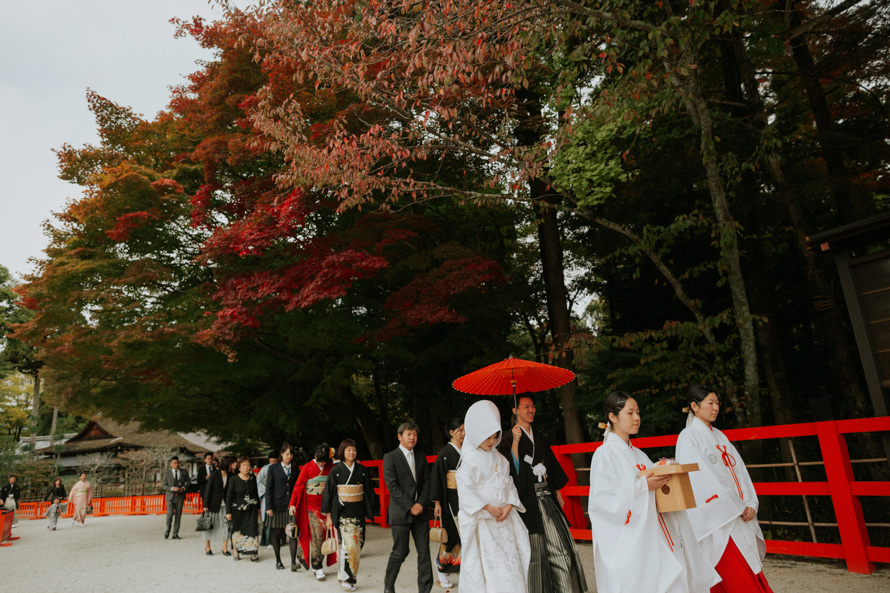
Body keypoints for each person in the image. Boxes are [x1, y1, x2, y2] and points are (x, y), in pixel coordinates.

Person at [588, 391, 720, 593]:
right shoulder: (604, 454)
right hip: (634, 539)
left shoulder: (639, 454)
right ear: (612, 417)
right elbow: (604, 503)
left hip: (656, 533)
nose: (637, 418)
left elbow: (653, 484)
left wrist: (662, 470)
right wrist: (642, 487)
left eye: (638, 412)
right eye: (630, 413)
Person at [676, 386, 774, 593]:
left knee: (746, 565)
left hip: (738, 512)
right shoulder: (688, 437)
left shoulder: (720, 436)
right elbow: (700, 479)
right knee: (734, 571)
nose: (715, 408)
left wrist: (750, 503)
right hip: (719, 519)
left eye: (717, 403)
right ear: (694, 406)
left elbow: (740, 472)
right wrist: (736, 506)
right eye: (710, 403)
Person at [499, 396, 587, 593]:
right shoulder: (508, 438)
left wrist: (557, 491)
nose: (531, 410)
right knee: (535, 553)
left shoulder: (537, 435)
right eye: (526, 406)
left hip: (547, 498)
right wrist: (514, 442)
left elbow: (551, 463)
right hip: (527, 503)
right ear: (515, 411)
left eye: (533, 406)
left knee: (561, 547)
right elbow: (509, 469)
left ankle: (566, 588)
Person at [457, 400, 530, 593]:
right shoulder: (469, 461)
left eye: (494, 436)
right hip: (483, 523)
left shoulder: (500, 459)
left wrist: (508, 505)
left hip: (503, 522)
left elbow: (508, 485)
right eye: (487, 437)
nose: (491, 441)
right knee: (487, 570)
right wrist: (487, 508)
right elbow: (466, 491)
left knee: (510, 567)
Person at [382, 421, 434, 593]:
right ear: (400, 436)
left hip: (421, 512)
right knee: (400, 552)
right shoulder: (390, 457)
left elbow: (427, 482)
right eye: (408, 434)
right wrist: (410, 505)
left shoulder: (421, 456)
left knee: (424, 553)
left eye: (415, 434)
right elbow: (392, 486)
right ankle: (389, 586)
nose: (412, 437)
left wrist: (421, 503)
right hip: (401, 513)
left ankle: (425, 590)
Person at [322, 439, 376, 592]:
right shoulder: (336, 470)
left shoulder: (362, 469)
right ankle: (345, 577)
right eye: (348, 450)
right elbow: (329, 493)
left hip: (358, 512)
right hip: (343, 513)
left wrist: (370, 509)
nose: (351, 453)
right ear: (342, 452)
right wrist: (328, 516)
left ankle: (349, 576)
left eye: (354, 450)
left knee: (357, 545)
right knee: (349, 546)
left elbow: (368, 492)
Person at [290, 443, 335, 580]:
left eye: (324, 461)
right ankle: (317, 566)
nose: (321, 464)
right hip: (311, 506)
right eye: (319, 460)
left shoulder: (330, 468)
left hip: (325, 506)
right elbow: (298, 487)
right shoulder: (307, 468)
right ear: (315, 456)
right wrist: (292, 503)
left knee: (324, 535)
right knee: (317, 536)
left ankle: (308, 558)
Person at [431, 418, 465, 588]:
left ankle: (464, 571)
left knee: (465, 537)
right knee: (450, 537)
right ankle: (441, 570)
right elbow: (437, 479)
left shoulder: (467, 451)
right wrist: (437, 503)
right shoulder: (445, 453)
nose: (463, 434)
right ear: (451, 432)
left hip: (466, 498)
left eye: (465, 430)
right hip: (450, 500)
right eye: (460, 430)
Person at [265, 443, 300, 570]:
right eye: (287, 454)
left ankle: (293, 563)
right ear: (281, 454)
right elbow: (269, 488)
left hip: (291, 506)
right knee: (277, 533)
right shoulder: (273, 468)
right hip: (276, 505)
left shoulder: (295, 469)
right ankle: (278, 560)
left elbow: (298, 487)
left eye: (291, 454)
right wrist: (268, 507)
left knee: (293, 533)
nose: (289, 457)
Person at [226, 456, 261, 561]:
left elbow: (256, 494)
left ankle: (253, 552)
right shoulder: (233, 479)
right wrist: (228, 512)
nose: (246, 468)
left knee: (252, 530)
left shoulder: (253, 478)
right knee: (237, 531)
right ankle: (236, 551)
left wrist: (258, 507)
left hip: (252, 509)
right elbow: (229, 497)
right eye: (244, 465)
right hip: (238, 510)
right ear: (239, 467)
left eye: (248, 465)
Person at [202, 456, 231, 556]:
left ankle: (224, 548)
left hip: (225, 504)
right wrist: (205, 504)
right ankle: (208, 547)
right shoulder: (214, 474)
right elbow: (208, 490)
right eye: (232, 464)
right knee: (210, 525)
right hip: (213, 504)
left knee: (225, 526)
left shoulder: (230, 475)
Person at [256, 449, 281, 547]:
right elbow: (258, 481)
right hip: (268, 496)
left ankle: (277, 541)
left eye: (275, 462)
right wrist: (266, 490)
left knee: (278, 520)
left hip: (278, 497)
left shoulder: (281, 468)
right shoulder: (265, 469)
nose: (273, 463)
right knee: (267, 520)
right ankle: (267, 541)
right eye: (271, 462)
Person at [162, 456, 190, 539]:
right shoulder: (167, 473)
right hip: (170, 497)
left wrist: (183, 488)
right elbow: (163, 485)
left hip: (180, 497)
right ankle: (167, 529)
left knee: (178, 515)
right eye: (174, 463)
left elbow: (188, 482)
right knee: (169, 514)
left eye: (177, 463)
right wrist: (171, 488)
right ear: (171, 464)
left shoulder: (184, 472)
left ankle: (175, 533)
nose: (176, 464)